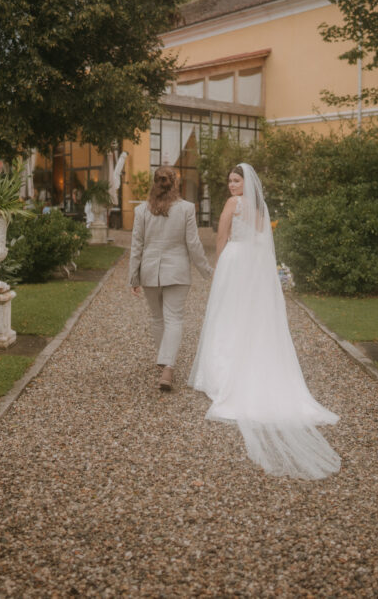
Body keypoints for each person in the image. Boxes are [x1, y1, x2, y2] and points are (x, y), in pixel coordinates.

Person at [189, 163, 341, 479]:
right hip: (253, 266)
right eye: (229, 181)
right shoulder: (260, 209)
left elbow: (222, 236)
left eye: (236, 180)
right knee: (246, 316)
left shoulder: (233, 204)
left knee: (227, 315)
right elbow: (261, 242)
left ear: (245, 182)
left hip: (234, 262)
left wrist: (219, 266)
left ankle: (222, 374)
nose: (231, 185)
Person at [129, 166, 213, 391]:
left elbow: (137, 245)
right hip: (177, 272)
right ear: (175, 183)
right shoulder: (186, 208)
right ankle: (168, 366)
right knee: (174, 318)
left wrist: (133, 277)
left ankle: (164, 359)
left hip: (149, 272)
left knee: (157, 318)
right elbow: (193, 244)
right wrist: (206, 270)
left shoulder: (141, 210)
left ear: (155, 183)